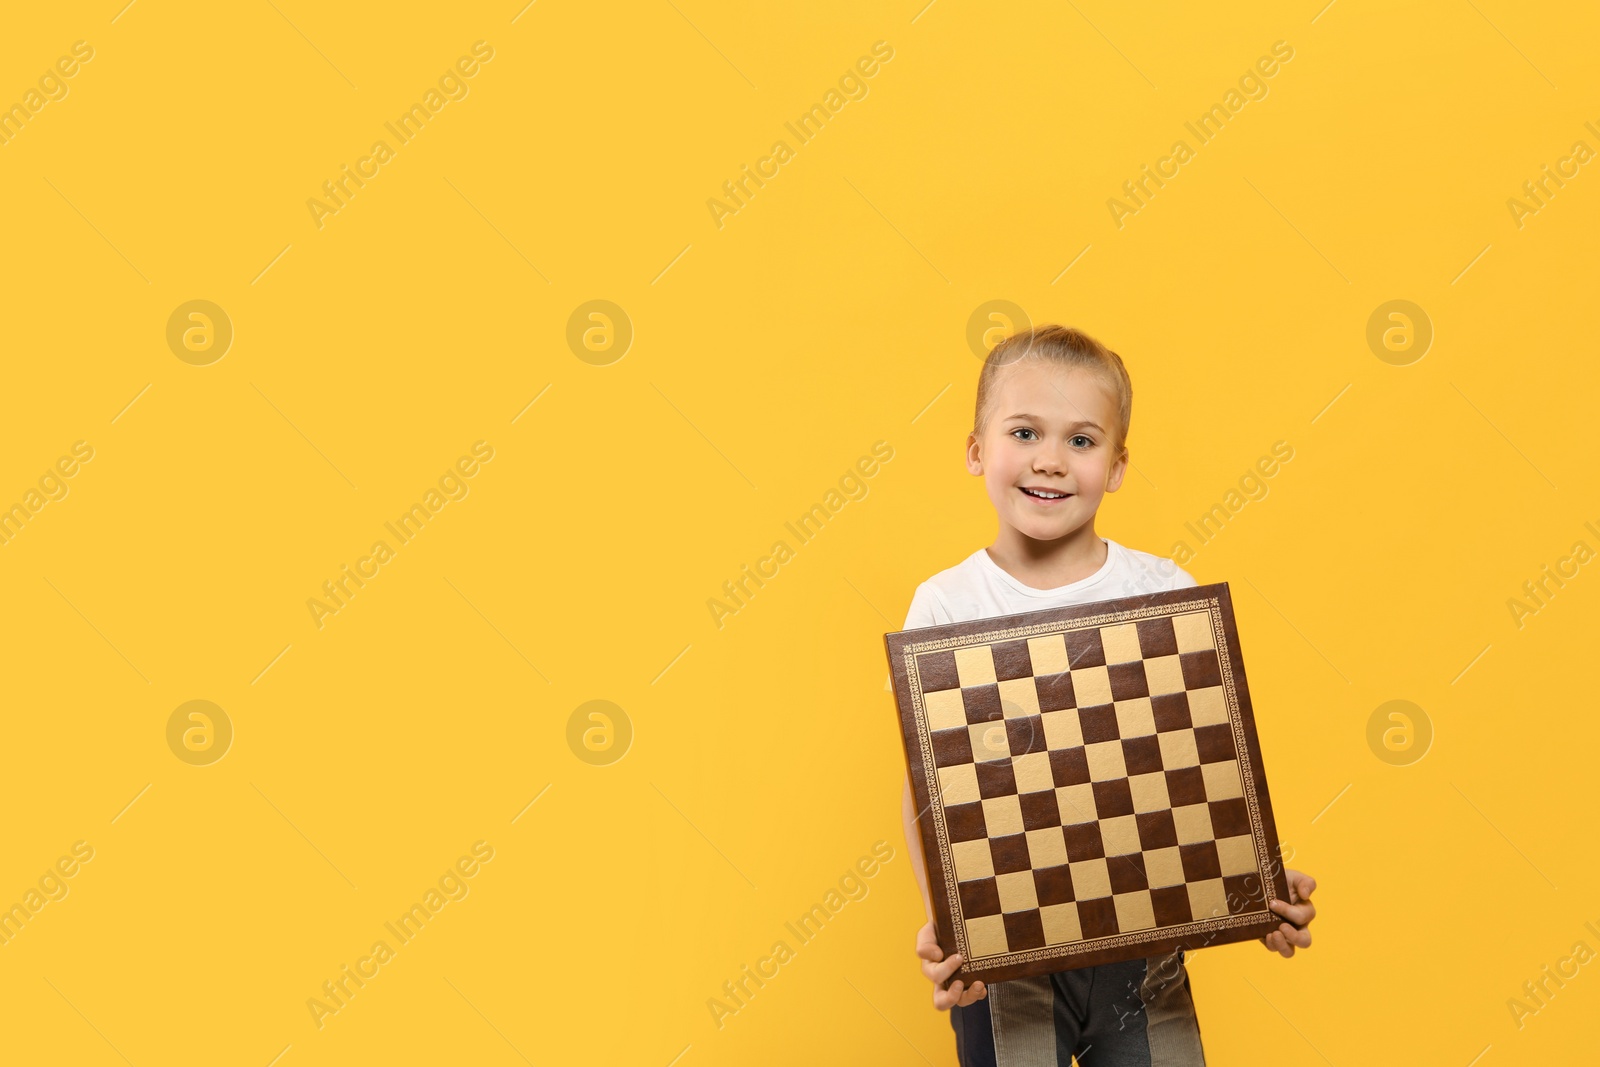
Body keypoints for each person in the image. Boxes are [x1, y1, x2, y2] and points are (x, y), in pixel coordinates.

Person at [898, 325, 1318, 1065]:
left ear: (1117, 466)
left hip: (1143, 952)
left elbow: (1202, 761)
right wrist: (950, 925)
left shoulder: (1160, 593)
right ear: (975, 450)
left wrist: (1258, 883)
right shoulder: (947, 604)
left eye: (1082, 441)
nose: (1050, 460)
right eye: (1024, 431)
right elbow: (930, 784)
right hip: (1010, 963)